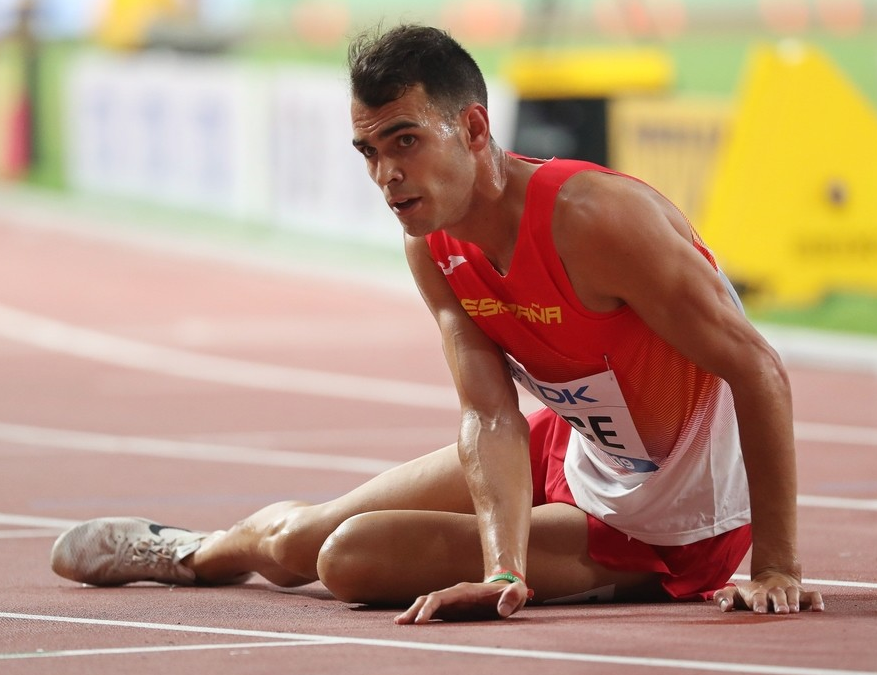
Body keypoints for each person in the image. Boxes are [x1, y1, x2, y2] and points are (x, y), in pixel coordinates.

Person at [50, 24, 825, 623]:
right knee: (295, 544)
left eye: (405, 141)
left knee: (348, 558)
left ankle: (593, 573)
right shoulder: (432, 244)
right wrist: (503, 568)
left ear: (476, 130)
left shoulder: (598, 222)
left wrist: (775, 566)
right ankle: (187, 551)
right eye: (367, 150)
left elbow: (756, 367)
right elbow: (489, 411)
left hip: (671, 525)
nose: (385, 174)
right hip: (575, 450)